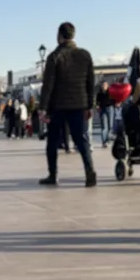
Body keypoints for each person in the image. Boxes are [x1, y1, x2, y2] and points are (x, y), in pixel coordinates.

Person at [38, 22, 97, 187]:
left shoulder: (54, 57)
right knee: (82, 140)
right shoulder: (85, 55)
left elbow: (48, 85)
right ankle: (89, 171)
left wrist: (42, 108)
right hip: (80, 105)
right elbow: (91, 83)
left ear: (59, 36)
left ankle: (53, 174)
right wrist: (90, 105)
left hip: (58, 106)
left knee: (52, 142)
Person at [95, 81, 113, 148]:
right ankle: (104, 142)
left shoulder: (110, 92)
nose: (104, 86)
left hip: (110, 109)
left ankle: (108, 139)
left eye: (105, 85)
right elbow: (97, 102)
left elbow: (113, 100)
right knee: (104, 127)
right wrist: (97, 106)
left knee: (110, 126)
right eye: (103, 85)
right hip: (102, 109)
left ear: (108, 86)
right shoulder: (99, 93)